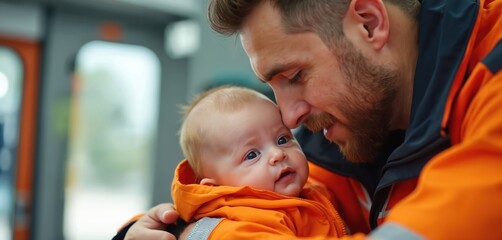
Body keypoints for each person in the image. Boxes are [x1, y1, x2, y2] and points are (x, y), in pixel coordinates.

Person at [116, 0, 502, 239]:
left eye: (296, 76)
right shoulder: (334, 136)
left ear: (369, 23)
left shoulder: (493, 72)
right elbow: (254, 206)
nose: (288, 116)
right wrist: (168, 230)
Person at [171, 85, 348, 239]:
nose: (277, 153)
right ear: (215, 187)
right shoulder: (235, 228)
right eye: (251, 155)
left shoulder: (314, 192)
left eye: (282, 139)